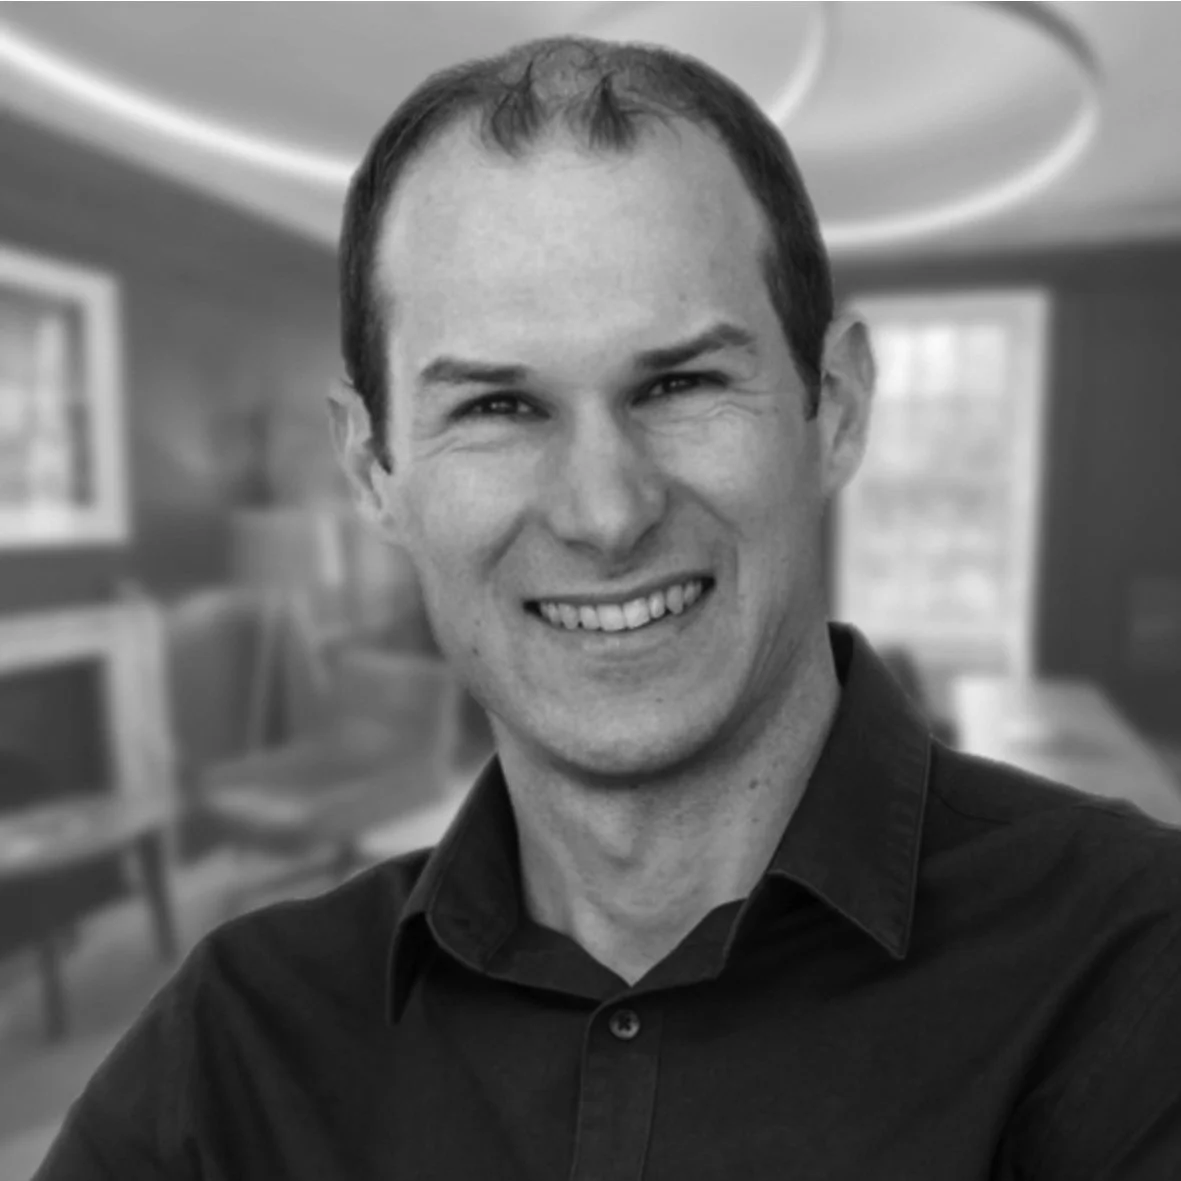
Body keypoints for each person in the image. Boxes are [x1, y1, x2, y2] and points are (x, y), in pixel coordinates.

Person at [35, 35, 1181, 1181]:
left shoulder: (1135, 961)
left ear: (832, 407)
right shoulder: (233, 1049)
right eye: (495, 406)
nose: (604, 511)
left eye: (679, 383)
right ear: (372, 466)